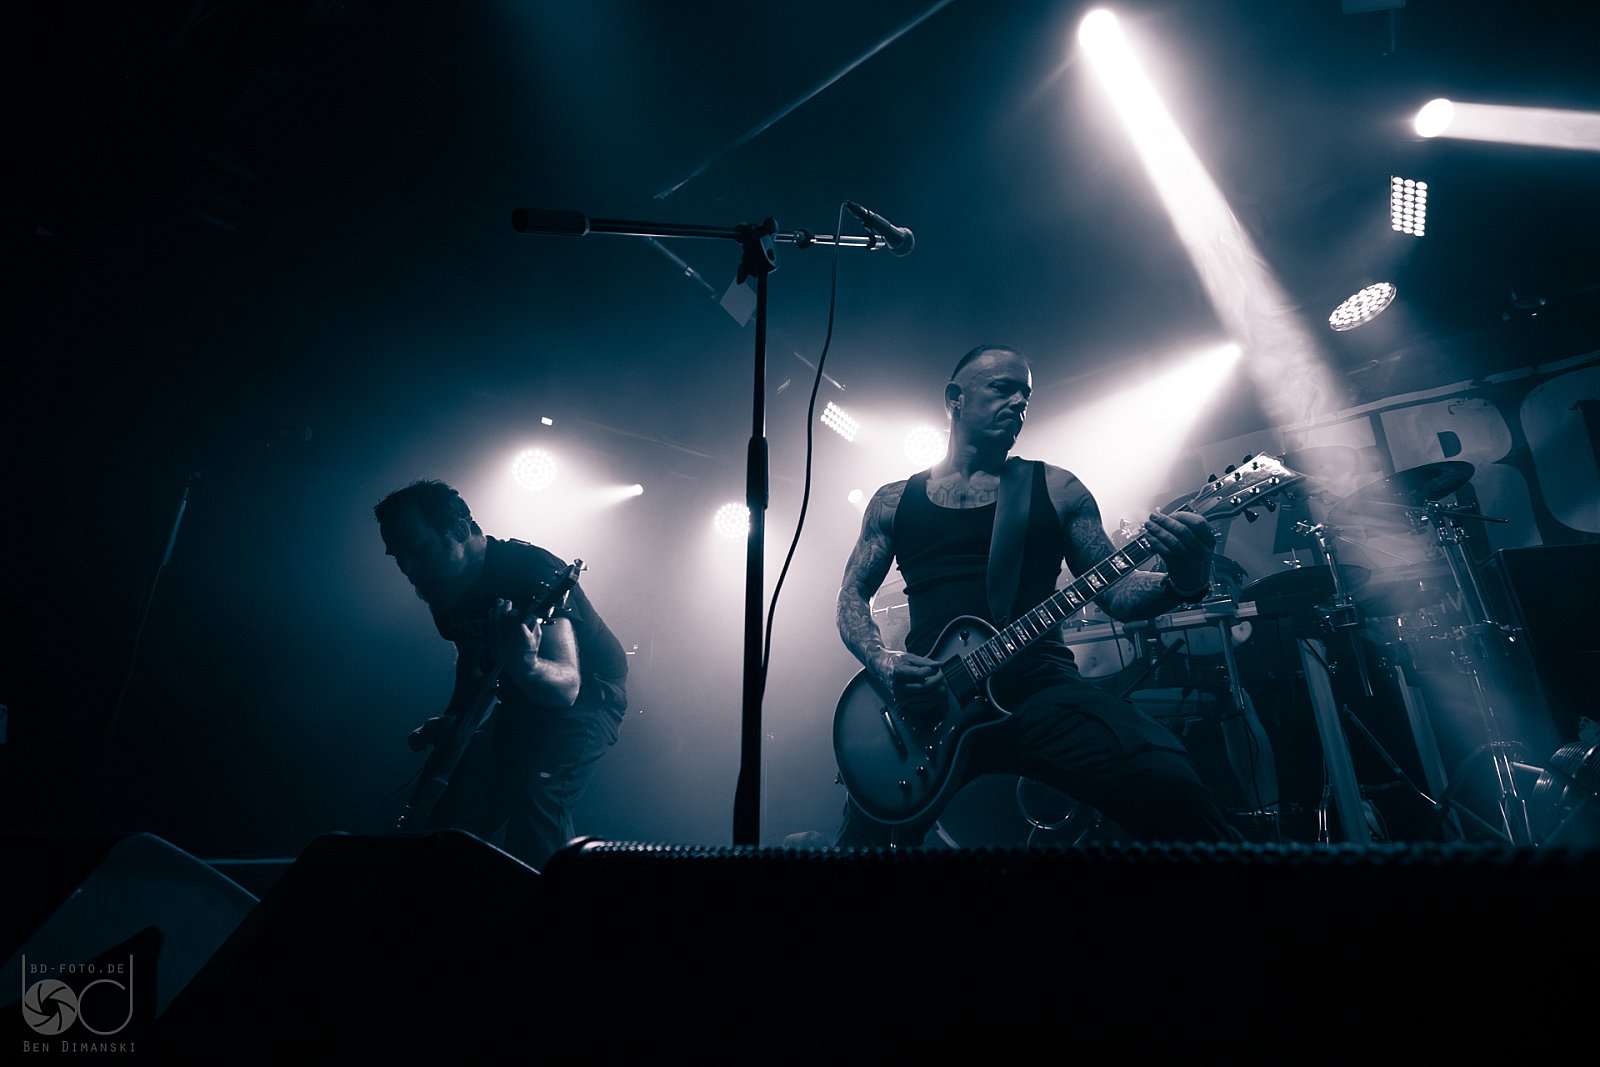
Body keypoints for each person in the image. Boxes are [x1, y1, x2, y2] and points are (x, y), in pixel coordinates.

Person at [833, 344, 1242, 847]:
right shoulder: (894, 501)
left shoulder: (1058, 489)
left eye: (1025, 397)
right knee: (865, 842)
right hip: (931, 706)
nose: (1017, 404)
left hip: (1040, 690)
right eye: (1002, 389)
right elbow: (851, 595)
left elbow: (1118, 596)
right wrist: (885, 661)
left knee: (1167, 781)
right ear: (955, 398)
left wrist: (1185, 578)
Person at [374, 479, 629, 870]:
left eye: (419, 549)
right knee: (452, 812)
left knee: (536, 799)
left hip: (588, 700)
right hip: (521, 696)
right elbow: (471, 658)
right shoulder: (441, 583)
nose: (408, 568)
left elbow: (566, 687)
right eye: (398, 557)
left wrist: (526, 665)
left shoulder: (529, 571)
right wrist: (456, 719)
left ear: (461, 529)